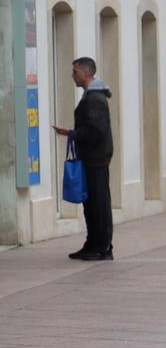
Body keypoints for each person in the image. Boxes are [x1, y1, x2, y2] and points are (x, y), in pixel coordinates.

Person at [52, 57, 114, 261]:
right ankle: (93, 244)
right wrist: (71, 132)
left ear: (87, 73)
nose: (73, 76)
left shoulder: (94, 99)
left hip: (96, 160)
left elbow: (97, 130)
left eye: (75, 72)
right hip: (92, 159)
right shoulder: (91, 96)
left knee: (98, 204)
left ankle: (102, 247)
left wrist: (74, 134)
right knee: (91, 203)